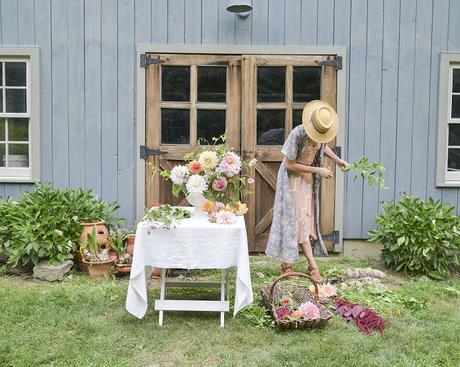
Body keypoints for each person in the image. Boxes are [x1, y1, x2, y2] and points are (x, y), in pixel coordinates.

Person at [266, 100, 349, 282]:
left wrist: (338, 160)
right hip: (291, 179)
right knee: (296, 221)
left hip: (306, 180)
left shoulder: (320, 135)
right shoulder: (298, 134)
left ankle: (292, 265)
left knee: (305, 220)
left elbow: (323, 147)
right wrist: (318, 170)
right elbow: (289, 164)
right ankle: (305, 265)